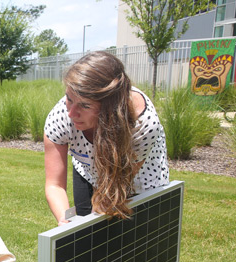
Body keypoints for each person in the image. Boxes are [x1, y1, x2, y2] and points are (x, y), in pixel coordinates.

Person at [44, 51, 169, 226]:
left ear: (111, 107)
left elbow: (116, 186)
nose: (72, 113)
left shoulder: (144, 124)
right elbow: (54, 185)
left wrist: (101, 206)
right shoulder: (60, 117)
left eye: (85, 105)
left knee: (132, 240)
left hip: (139, 181)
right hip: (88, 172)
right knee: (88, 241)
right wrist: (65, 220)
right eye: (69, 99)